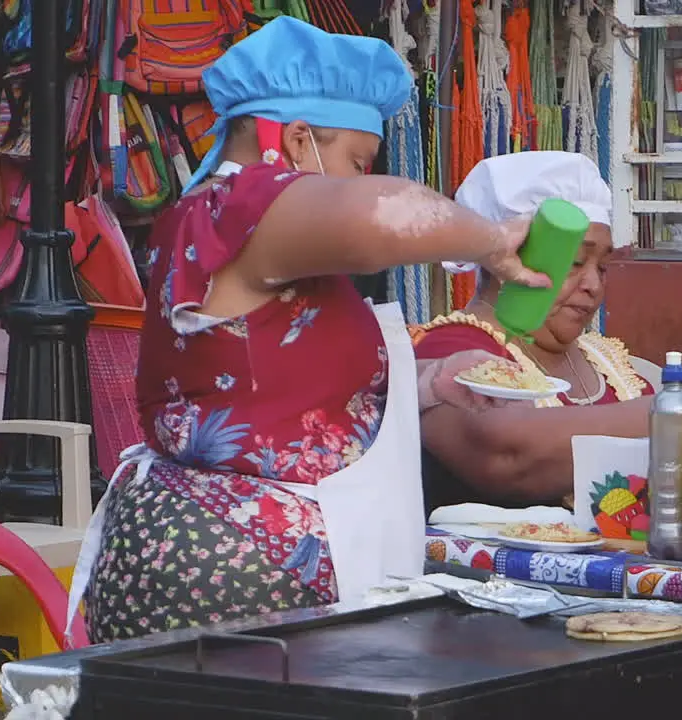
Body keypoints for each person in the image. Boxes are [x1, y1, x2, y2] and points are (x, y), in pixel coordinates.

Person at [67, 17, 547, 642]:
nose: (358, 180)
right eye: (356, 162)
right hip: (227, 570)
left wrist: (433, 384)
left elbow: (288, 388)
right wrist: (492, 240)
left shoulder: (261, 237)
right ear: (296, 140)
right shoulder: (239, 204)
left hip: (252, 569)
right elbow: (380, 214)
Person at [412, 152, 682, 512]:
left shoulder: (611, 366)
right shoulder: (452, 349)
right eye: (574, 262)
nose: (593, 285)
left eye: (603, 267)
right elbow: (510, 457)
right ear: (504, 258)